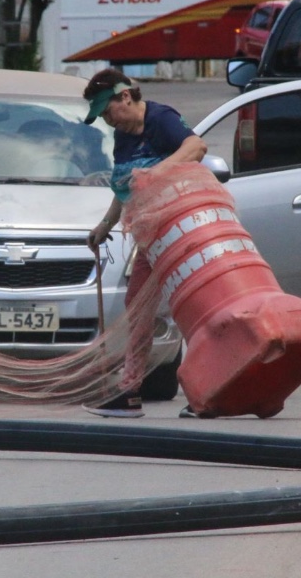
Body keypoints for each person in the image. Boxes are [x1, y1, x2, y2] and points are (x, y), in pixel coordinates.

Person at [80, 69, 207, 418]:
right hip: (150, 240)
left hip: (182, 234)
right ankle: (130, 391)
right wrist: (105, 225)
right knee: (137, 309)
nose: (108, 121)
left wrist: (157, 173)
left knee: (194, 309)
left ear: (125, 97)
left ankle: (209, 390)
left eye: (108, 111)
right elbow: (125, 186)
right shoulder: (123, 138)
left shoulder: (160, 118)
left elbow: (196, 146)